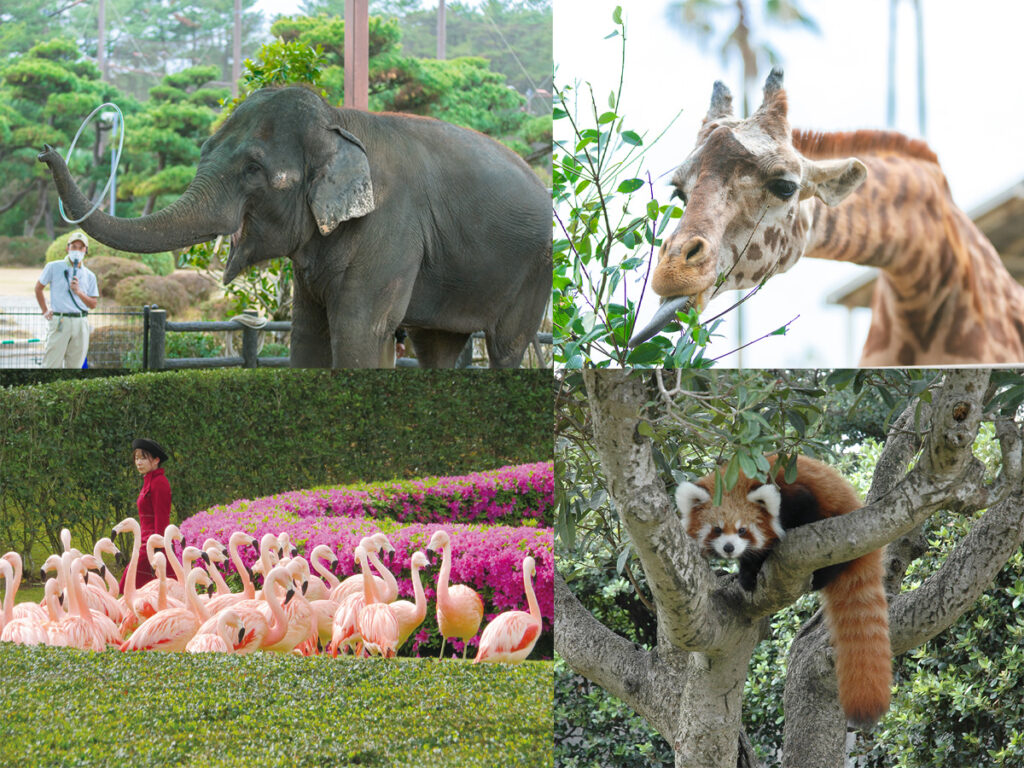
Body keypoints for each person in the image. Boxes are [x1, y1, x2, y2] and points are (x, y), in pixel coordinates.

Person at [34, 231, 99, 368]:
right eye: (73, 246)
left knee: (75, 366)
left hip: (81, 322)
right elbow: (38, 288)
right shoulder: (53, 267)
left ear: (86, 250)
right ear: (67, 247)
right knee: (51, 364)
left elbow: (93, 303)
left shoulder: (90, 275)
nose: (77, 250)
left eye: (80, 247)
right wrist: (45, 310)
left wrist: (79, 292)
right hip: (60, 321)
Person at [119, 438, 172, 592]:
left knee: (129, 585)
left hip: (153, 543)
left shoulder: (159, 482)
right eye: (136, 458)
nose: (138, 462)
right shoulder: (149, 481)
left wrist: (157, 548)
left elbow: (162, 518)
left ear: (156, 460)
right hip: (144, 541)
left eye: (143, 458)